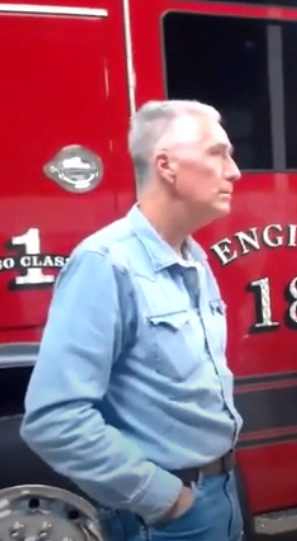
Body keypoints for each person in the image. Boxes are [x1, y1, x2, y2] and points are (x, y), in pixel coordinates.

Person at [20, 100, 245, 541]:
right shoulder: (106, 264)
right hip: (169, 513)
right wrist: (163, 497)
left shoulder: (194, 258)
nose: (234, 171)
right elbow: (55, 418)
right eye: (218, 153)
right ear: (167, 166)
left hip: (221, 492)